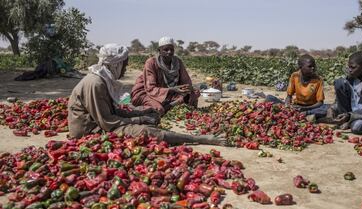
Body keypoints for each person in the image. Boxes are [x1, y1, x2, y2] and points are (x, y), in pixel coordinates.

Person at [68, 43, 225, 146]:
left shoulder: (102, 80)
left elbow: (112, 111)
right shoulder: (95, 84)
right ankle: (198, 139)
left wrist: (140, 113)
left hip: (101, 123)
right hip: (90, 131)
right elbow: (108, 122)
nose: (126, 67)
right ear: (115, 64)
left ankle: (159, 125)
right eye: (124, 63)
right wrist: (139, 119)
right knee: (147, 132)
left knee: (148, 119)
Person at [131, 36, 199, 115]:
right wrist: (172, 89)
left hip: (169, 93)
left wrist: (188, 88)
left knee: (194, 94)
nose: (169, 52)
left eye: (171, 49)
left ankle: (168, 105)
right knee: (158, 109)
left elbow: (186, 81)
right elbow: (150, 89)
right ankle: (164, 107)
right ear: (159, 51)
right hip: (146, 92)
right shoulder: (151, 62)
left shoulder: (177, 62)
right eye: (166, 49)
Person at [263, 54, 328, 120]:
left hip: (311, 107)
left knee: (328, 107)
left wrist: (305, 109)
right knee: (269, 98)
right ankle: (303, 115)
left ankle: (306, 113)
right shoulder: (295, 76)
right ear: (301, 67)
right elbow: (289, 96)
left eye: (314, 66)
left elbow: (320, 102)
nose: (313, 68)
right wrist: (287, 105)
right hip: (297, 105)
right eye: (310, 66)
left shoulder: (318, 80)